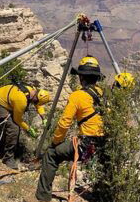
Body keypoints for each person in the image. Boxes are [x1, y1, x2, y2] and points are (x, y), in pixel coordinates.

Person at [34, 56, 105, 202]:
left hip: (86, 145)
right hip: (104, 143)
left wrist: (55, 142)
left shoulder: (77, 95)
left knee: (51, 155)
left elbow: (64, 123)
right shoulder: (103, 94)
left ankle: (43, 196)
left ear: (81, 77)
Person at [0, 83, 50, 169]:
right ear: (36, 97)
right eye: (36, 101)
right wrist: (28, 129)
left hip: (6, 100)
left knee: (8, 125)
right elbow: (17, 120)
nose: (35, 103)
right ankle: (8, 158)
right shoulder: (21, 100)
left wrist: (44, 118)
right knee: (14, 128)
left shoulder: (33, 91)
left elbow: (38, 104)